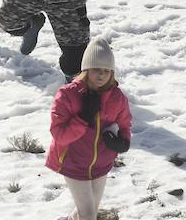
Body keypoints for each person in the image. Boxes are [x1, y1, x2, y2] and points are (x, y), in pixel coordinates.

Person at [46, 37, 131, 220]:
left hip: (101, 164)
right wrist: (83, 118)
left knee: (86, 210)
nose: (102, 75)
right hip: (73, 163)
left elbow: (125, 123)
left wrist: (123, 142)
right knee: (89, 214)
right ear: (86, 70)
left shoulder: (117, 97)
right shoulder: (68, 95)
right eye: (96, 70)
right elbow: (59, 134)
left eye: (107, 71)